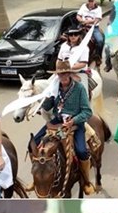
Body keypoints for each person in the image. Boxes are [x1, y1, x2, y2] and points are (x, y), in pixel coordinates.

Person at [33, 60, 96, 195]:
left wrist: (74, 120)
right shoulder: (54, 88)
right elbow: (48, 107)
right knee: (33, 143)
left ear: (70, 73)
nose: (63, 77)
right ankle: (37, 179)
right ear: (57, 76)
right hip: (57, 121)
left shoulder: (79, 88)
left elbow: (87, 111)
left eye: (65, 73)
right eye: (60, 74)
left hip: (74, 123)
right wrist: (47, 98)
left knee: (81, 151)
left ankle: (86, 181)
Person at [59, 28, 91, 93]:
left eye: (75, 34)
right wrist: (59, 68)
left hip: (78, 72)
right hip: (63, 72)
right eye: (71, 35)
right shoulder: (63, 46)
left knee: (83, 92)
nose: (73, 36)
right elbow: (59, 59)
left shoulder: (84, 48)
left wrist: (68, 67)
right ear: (68, 36)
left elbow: (83, 64)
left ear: (79, 35)